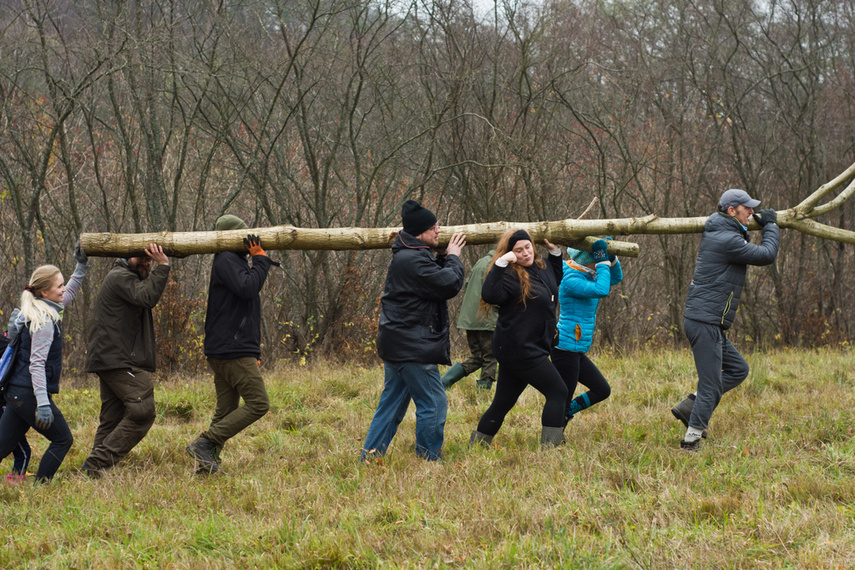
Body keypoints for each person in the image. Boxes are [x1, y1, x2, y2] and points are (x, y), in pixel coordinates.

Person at [671, 189, 779, 451]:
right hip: (704, 321)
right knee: (709, 386)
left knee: (738, 369)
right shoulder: (725, 239)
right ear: (732, 211)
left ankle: (690, 405)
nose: (752, 212)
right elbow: (767, 255)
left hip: (709, 321)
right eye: (747, 208)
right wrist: (772, 226)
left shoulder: (726, 233)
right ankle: (690, 442)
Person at [361, 200, 466, 461]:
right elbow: (449, 283)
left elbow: (431, 282)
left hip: (397, 343)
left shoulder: (410, 256)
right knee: (433, 402)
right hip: (412, 347)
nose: (438, 231)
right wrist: (452, 257)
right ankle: (429, 459)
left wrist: (441, 257)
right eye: (434, 228)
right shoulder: (413, 260)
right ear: (421, 232)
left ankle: (370, 457)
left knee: (391, 406)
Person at [185, 215, 279, 474]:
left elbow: (246, 308)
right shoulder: (226, 258)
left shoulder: (233, 261)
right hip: (230, 348)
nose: (247, 239)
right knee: (259, 403)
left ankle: (206, 467)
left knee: (225, 411)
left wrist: (254, 350)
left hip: (230, 348)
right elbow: (248, 289)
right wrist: (260, 259)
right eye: (243, 234)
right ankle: (204, 443)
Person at [470, 229, 568, 448]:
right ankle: (551, 449)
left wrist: (555, 253)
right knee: (558, 391)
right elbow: (489, 295)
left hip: (526, 347)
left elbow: (553, 283)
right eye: (518, 250)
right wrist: (502, 262)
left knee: (503, 402)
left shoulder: (540, 266)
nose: (525, 253)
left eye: (528, 247)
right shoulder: (509, 275)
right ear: (511, 254)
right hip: (521, 349)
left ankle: (476, 447)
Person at [0, 245, 89, 483]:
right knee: (63, 439)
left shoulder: (39, 308)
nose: (63, 290)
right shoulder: (44, 321)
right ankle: (41, 489)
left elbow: (68, 295)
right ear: (44, 292)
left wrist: (81, 266)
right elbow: (36, 365)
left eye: (62, 284)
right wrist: (43, 404)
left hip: (17, 394)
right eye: (58, 286)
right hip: (29, 394)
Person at [81, 244, 170, 477]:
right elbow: (148, 297)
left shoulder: (124, 276)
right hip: (117, 359)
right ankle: (97, 463)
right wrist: (163, 266)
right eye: (140, 258)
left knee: (112, 418)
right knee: (142, 410)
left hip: (110, 357)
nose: (145, 263)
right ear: (124, 255)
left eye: (149, 260)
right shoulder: (120, 276)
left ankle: (93, 473)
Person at [552, 240, 622, 425]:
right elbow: (602, 289)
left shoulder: (587, 274)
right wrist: (602, 262)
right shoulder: (571, 279)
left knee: (602, 389)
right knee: (563, 398)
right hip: (565, 348)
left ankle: (566, 415)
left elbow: (615, 278)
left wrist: (611, 259)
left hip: (576, 348)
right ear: (588, 261)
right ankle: (553, 440)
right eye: (597, 262)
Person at [441, 250, 498, 390]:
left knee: (478, 357)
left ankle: (444, 381)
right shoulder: (499, 265)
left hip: (470, 319)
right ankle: (483, 395)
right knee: (490, 358)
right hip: (487, 318)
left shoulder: (481, 262)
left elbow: (466, 285)